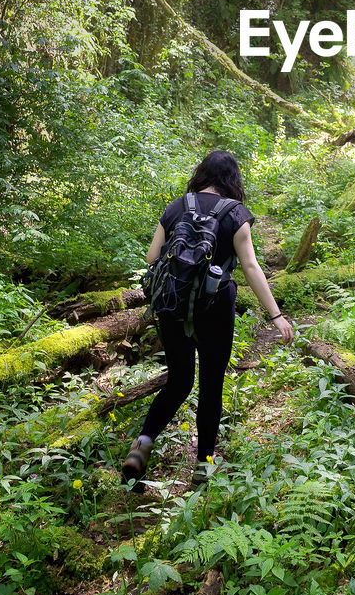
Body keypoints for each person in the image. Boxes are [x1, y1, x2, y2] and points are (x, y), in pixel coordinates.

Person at [121, 149, 294, 485]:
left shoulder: (176, 206)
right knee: (211, 385)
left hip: (172, 306)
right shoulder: (235, 214)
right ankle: (203, 466)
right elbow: (250, 266)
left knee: (179, 380)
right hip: (215, 307)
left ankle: (141, 445)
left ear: (202, 174)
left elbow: (152, 256)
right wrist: (276, 315)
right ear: (233, 180)